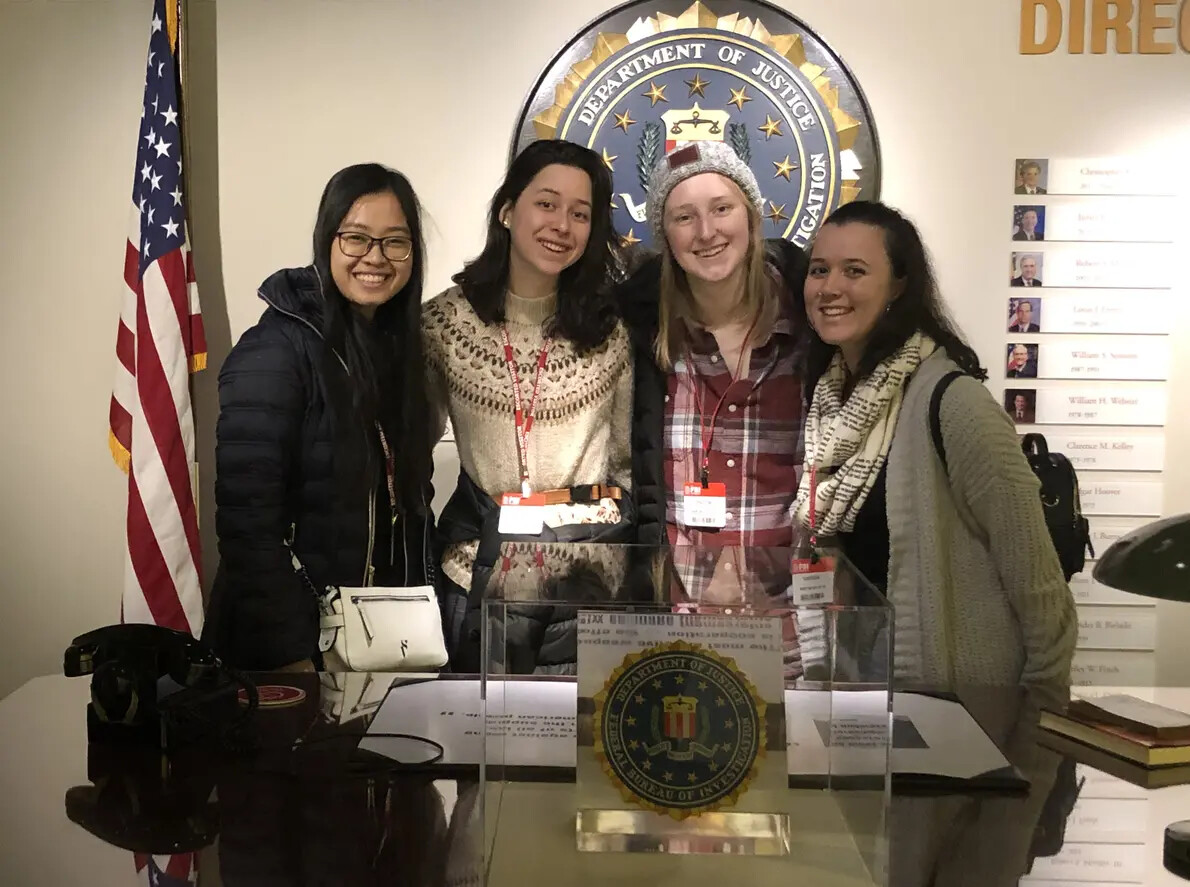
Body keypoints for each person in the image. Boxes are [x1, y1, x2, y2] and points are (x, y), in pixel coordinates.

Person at [794, 200, 1075, 688]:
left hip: (956, 713)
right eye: (820, 270)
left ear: (898, 286)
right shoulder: (829, 403)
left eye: (854, 271)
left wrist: (1036, 742)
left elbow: (1041, 593)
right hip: (857, 689)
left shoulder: (954, 404)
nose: (830, 288)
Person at [205, 164, 436, 672]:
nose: (375, 258)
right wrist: (293, 656)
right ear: (326, 240)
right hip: (288, 654)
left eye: (394, 242)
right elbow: (248, 527)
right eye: (356, 239)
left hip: (373, 644)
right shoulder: (274, 351)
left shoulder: (397, 353)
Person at [423, 139, 632, 673]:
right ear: (508, 210)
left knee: (575, 750)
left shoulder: (610, 332)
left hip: (585, 588)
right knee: (477, 745)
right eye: (546, 203)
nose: (562, 224)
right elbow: (408, 448)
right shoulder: (445, 324)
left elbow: (628, 464)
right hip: (475, 578)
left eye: (580, 213)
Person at [617, 140, 808, 673]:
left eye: (722, 208)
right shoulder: (642, 335)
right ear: (666, 236)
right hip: (674, 630)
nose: (706, 232)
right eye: (684, 216)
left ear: (750, 215)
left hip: (796, 634)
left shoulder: (812, 328)